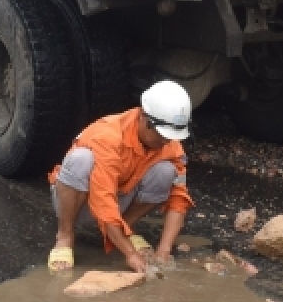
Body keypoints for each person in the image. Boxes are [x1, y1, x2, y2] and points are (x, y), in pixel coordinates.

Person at [48, 82, 195, 275]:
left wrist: (164, 251)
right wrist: (130, 253)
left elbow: (178, 199)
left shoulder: (169, 144)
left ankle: (125, 229)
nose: (165, 142)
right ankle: (65, 236)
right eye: (161, 136)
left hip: (119, 200)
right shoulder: (109, 135)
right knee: (81, 159)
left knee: (166, 171)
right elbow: (103, 201)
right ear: (144, 117)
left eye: (169, 137)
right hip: (80, 202)